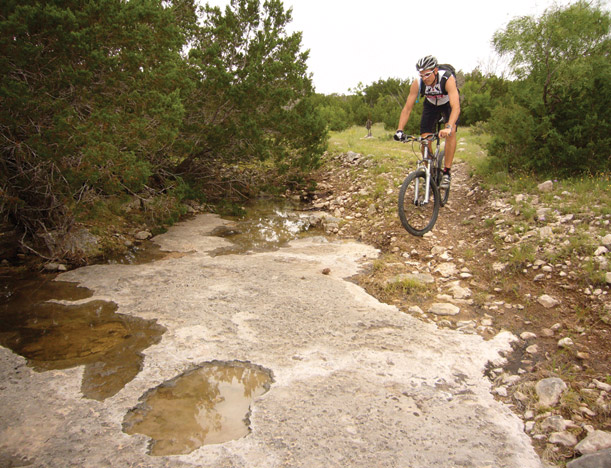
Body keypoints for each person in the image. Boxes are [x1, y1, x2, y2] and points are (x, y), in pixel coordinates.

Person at [394, 55, 460, 189]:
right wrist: (399, 130)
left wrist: (448, 127)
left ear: (435, 71)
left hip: (448, 104)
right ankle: (430, 172)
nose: (425, 78)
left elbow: (456, 107)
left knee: (451, 133)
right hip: (431, 105)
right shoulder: (418, 83)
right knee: (425, 138)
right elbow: (407, 109)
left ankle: (447, 172)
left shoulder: (447, 79)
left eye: (428, 74)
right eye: (422, 75)